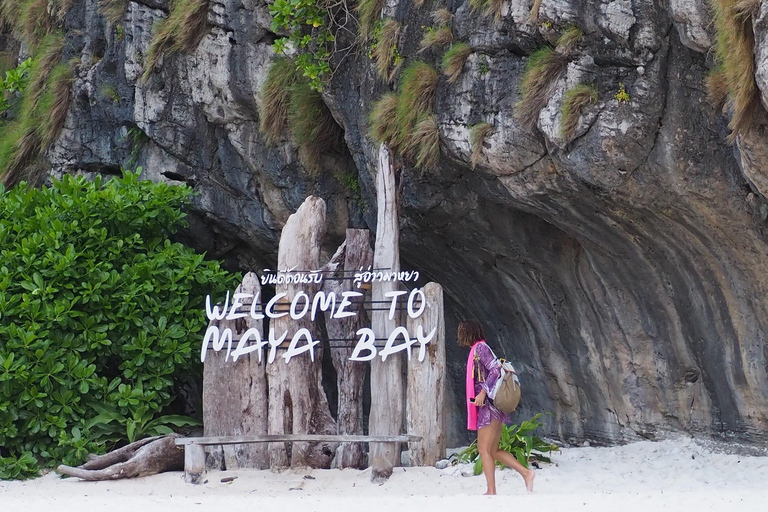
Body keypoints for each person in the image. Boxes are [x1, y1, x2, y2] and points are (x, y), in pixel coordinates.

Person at [459, 320, 535, 494]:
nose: (460, 336)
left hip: (489, 406)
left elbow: (495, 369)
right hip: (492, 406)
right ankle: (526, 474)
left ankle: (491, 491)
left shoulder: (480, 349)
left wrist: (483, 393)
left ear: (468, 333)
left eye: (461, 332)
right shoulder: (479, 348)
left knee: (483, 448)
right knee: (492, 450)